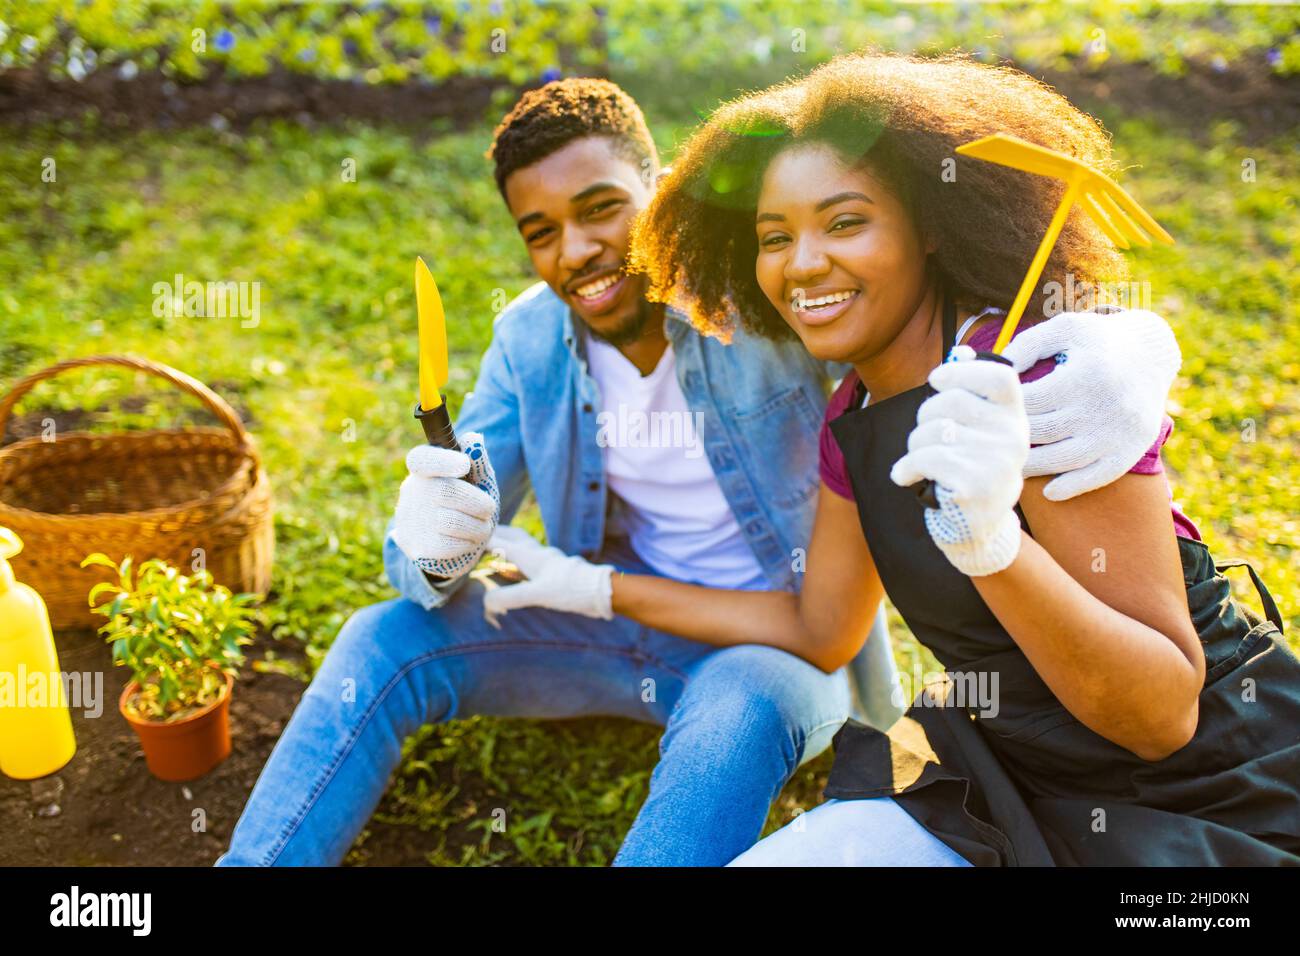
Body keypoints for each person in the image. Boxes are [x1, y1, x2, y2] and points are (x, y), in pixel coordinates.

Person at [218, 76, 1182, 868]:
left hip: (780, 653)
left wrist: (1129, 342)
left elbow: (923, 314)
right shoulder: (526, 343)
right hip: (605, 626)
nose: (577, 251)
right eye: (541, 230)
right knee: (382, 638)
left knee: (733, 712)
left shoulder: (769, 304)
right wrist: (430, 547)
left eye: (601, 211)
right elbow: (449, 522)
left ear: (662, 191)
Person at [488, 53, 1300, 865]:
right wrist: (588, 587)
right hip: (999, 778)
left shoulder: (1045, 383)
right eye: (775, 237)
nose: (802, 264)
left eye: (845, 222)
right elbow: (819, 629)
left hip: (1209, 795)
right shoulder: (855, 415)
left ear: (931, 226)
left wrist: (994, 547)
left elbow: (1159, 717)